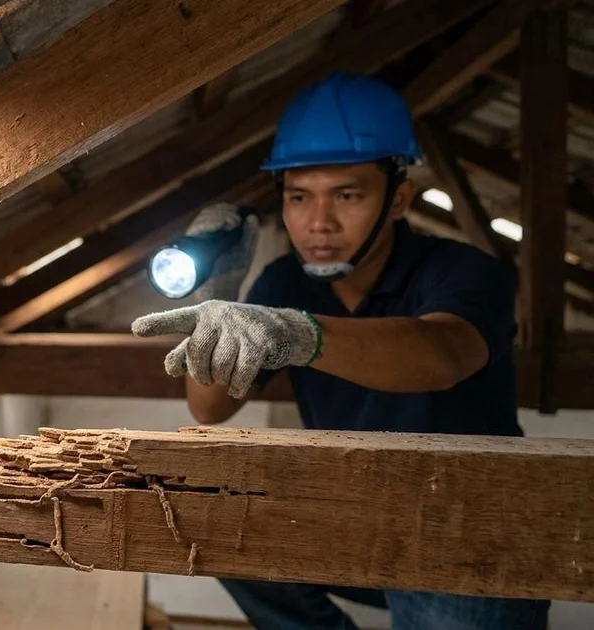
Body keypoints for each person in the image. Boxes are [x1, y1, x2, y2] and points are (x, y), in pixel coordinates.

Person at [131, 72, 550, 629]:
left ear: (398, 197)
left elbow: (445, 354)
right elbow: (210, 409)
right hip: (355, 511)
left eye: (347, 195)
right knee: (212, 521)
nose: (318, 223)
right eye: (299, 197)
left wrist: (302, 335)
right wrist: (220, 293)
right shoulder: (285, 280)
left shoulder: (464, 271)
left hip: (466, 527)